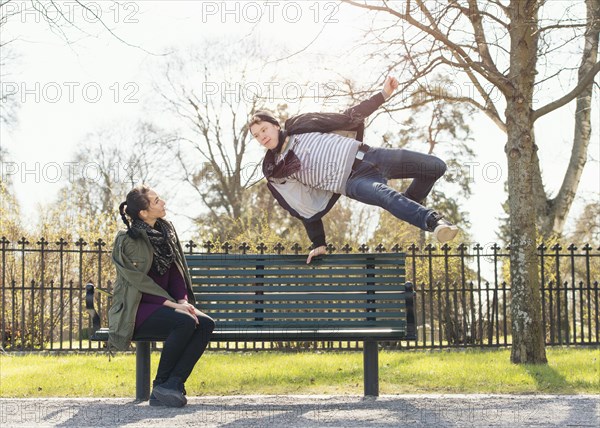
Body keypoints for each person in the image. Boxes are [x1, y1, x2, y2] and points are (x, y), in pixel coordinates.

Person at [249, 76, 458, 264]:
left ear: (275, 125)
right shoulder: (277, 170)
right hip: (352, 182)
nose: (262, 137)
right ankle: (433, 221)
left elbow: (348, 117)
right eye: (257, 136)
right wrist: (318, 242)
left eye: (264, 129)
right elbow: (303, 205)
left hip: (370, 156)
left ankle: (409, 202)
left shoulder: (300, 126)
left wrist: (383, 94)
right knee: (385, 195)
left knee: (435, 167)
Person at [108, 185, 215, 407]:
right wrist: (175, 306)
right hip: (137, 308)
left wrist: (183, 301)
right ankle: (161, 385)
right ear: (143, 213)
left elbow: (176, 273)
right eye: (156, 201)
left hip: (167, 308)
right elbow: (138, 282)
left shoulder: (167, 233)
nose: (163, 202)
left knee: (205, 323)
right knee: (184, 321)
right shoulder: (126, 240)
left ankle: (172, 385)